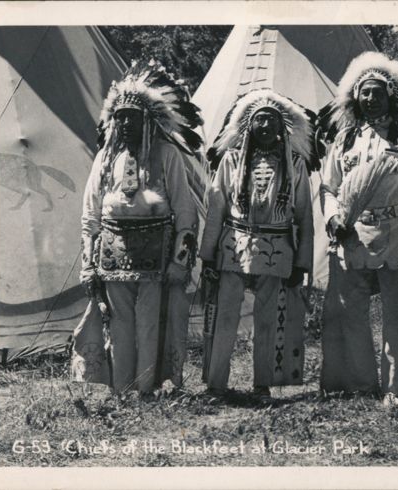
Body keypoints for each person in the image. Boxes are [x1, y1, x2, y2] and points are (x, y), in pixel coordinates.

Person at [317, 52, 398, 407]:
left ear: (391, 97)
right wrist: (334, 219)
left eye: (378, 92)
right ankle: (358, 382)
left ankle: (396, 386)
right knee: (348, 309)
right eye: (365, 93)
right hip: (352, 233)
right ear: (355, 97)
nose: (371, 99)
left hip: (396, 232)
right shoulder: (344, 139)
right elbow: (328, 187)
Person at [70, 60, 202, 395]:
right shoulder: (106, 158)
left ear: (148, 120)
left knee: (149, 323)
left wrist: (179, 262)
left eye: (133, 116)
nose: (126, 123)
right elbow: (90, 214)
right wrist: (88, 265)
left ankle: (145, 389)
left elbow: (185, 211)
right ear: (112, 120)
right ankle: (121, 389)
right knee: (119, 323)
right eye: (121, 117)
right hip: (112, 256)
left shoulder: (167, 154)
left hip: (156, 257)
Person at [199, 89, 314, 398]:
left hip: (277, 248)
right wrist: (208, 255)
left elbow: (304, 216)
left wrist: (302, 263)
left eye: (271, 121)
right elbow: (216, 209)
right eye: (259, 120)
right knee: (225, 315)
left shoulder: (295, 164)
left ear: (281, 127)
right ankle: (216, 384)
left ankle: (263, 384)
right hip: (233, 246)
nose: (265, 126)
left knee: (270, 317)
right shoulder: (231, 160)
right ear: (248, 126)